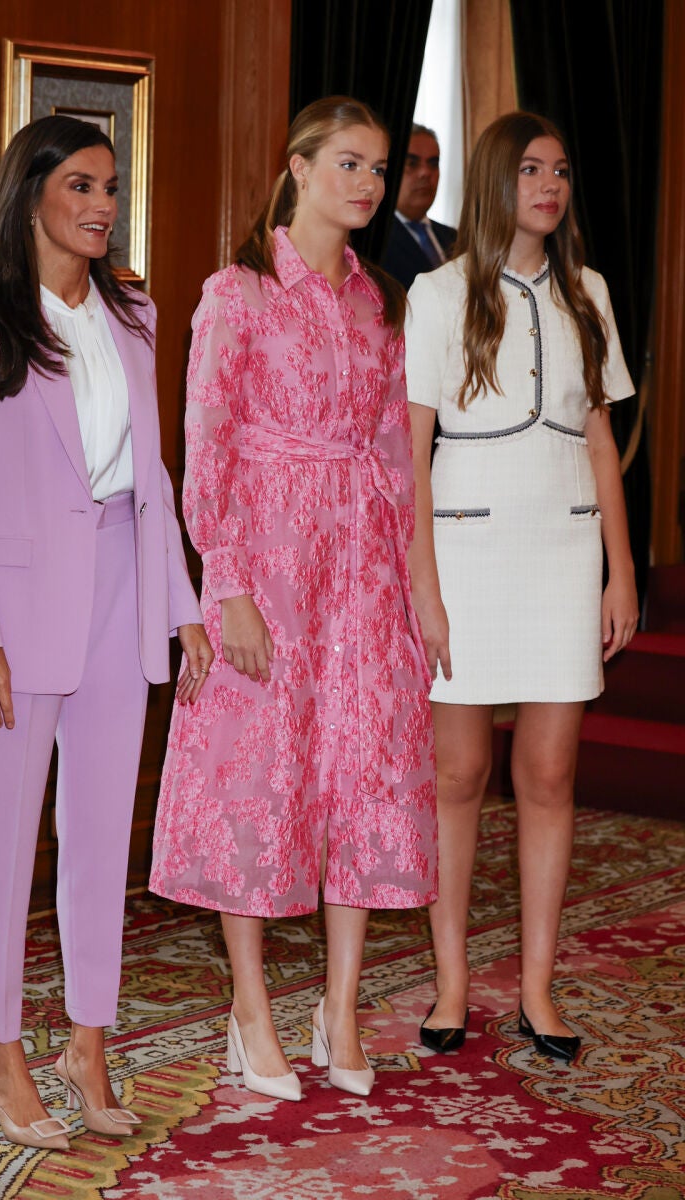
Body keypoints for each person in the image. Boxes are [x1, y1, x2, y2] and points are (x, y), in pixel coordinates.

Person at [0, 115, 212, 1149]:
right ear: (34, 194)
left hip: (118, 595)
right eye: (83, 186)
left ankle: (86, 1040)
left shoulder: (132, 312)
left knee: (98, 838)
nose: (103, 205)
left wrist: (178, 605)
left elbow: (157, 476)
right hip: (17, 606)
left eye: (110, 187)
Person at [149, 96, 438, 1101]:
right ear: (299, 167)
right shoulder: (236, 292)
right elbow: (205, 445)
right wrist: (222, 581)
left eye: (375, 168)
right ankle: (249, 1008)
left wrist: (409, 591)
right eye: (346, 164)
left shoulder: (377, 303)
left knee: (354, 777)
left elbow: (398, 461)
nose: (363, 183)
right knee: (255, 779)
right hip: (267, 564)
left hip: (357, 572)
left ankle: (341, 1006)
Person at [405, 111, 638, 1062]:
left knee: (548, 774)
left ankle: (539, 989)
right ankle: (453, 980)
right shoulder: (436, 291)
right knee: (456, 776)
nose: (550, 185)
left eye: (562, 170)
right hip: (464, 551)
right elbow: (409, 455)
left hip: (563, 551)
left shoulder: (589, 291)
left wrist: (621, 570)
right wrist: (422, 581)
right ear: (498, 179)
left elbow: (599, 443)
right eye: (532, 169)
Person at [381, 124, 457, 290]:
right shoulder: (376, 242)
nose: (425, 173)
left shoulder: (455, 238)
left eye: (433, 163)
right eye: (412, 163)